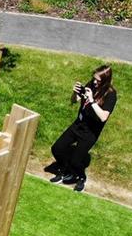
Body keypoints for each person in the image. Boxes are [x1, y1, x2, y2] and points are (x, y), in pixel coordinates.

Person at [45, 65, 117, 193]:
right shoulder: (91, 85)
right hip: (78, 124)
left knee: (76, 161)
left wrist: (92, 101)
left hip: (90, 132)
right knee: (57, 148)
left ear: (105, 81)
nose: (94, 82)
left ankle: (81, 177)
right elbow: (74, 101)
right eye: (93, 78)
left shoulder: (110, 95)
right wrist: (75, 93)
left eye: (98, 80)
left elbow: (103, 117)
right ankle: (64, 170)